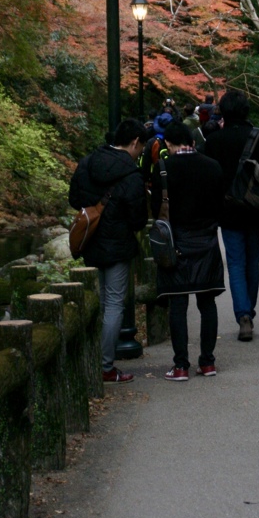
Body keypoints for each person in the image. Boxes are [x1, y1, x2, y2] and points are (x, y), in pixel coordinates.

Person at [68, 119, 149, 382]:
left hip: (91, 242)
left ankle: (94, 361)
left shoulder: (88, 162)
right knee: (114, 304)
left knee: (101, 302)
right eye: (141, 148)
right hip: (118, 245)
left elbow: (74, 199)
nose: (140, 153)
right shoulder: (132, 175)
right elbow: (138, 220)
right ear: (135, 142)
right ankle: (104, 366)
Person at [150, 121, 225, 380]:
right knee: (207, 302)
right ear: (192, 142)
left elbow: (156, 209)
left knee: (178, 304)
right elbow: (220, 204)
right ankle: (208, 362)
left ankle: (181, 365)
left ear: (168, 143)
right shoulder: (213, 166)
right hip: (206, 241)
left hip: (177, 243)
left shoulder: (163, 169)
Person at [205, 91, 259, 341]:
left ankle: (243, 314)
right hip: (255, 210)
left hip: (227, 212)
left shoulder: (214, 141)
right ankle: (249, 309)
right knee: (252, 262)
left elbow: (209, 180)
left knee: (235, 263)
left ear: (222, 111)